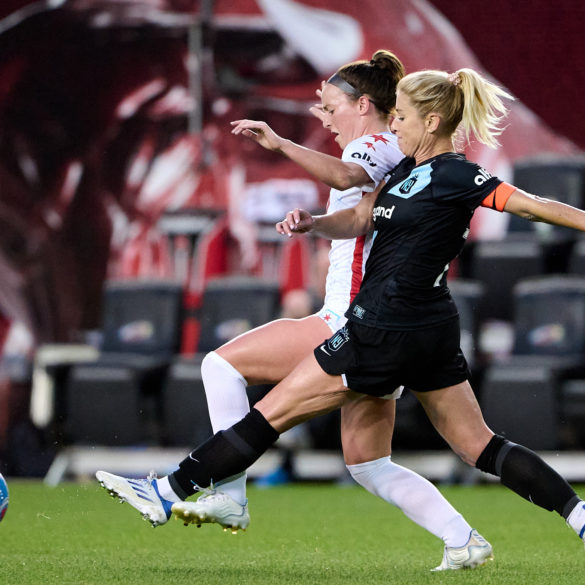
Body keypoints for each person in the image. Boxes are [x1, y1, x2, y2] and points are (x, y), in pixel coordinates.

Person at [97, 64, 584, 565]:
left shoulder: (459, 173)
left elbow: (528, 206)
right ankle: (573, 518)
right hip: (426, 330)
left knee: (268, 415)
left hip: (380, 328)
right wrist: (315, 222)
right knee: (474, 447)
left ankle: (170, 492)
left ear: (432, 121)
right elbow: (358, 216)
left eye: (403, 117)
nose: (393, 126)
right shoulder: (402, 173)